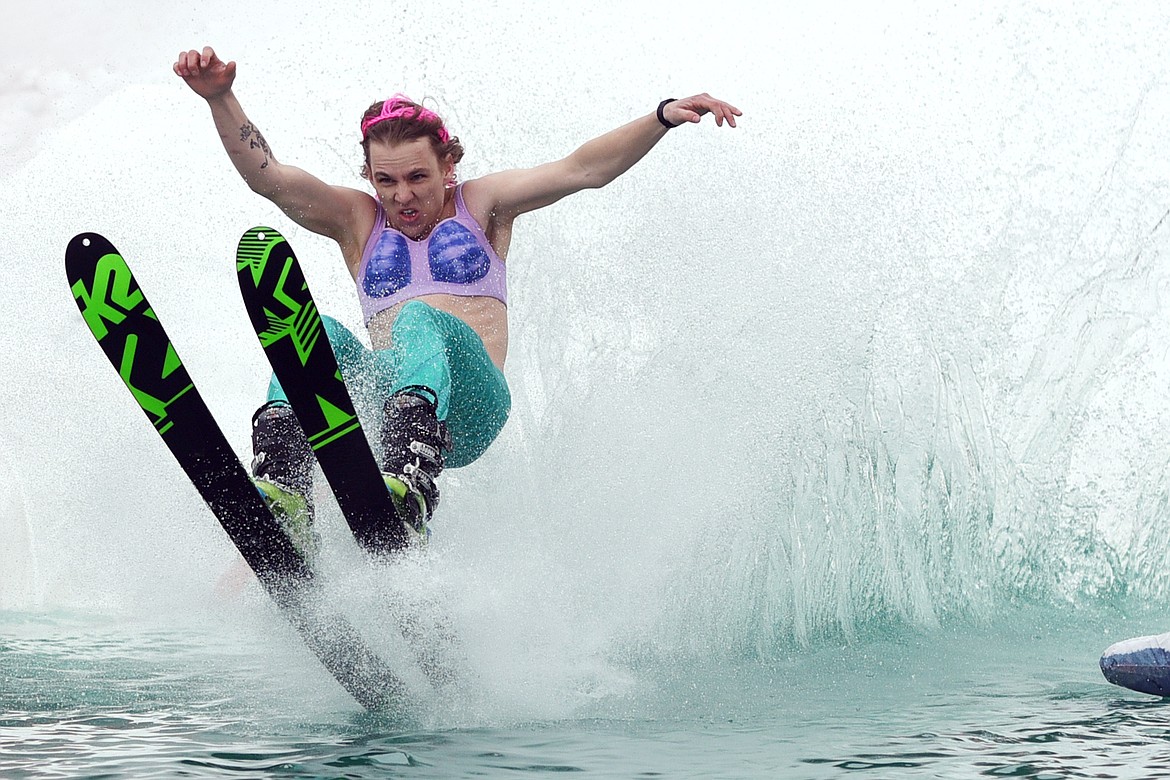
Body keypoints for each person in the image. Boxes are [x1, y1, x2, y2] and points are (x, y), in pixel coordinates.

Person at [174, 46, 741, 551]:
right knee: (309, 327)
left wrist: (662, 115)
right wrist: (221, 99)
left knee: (421, 318)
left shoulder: (483, 204)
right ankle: (284, 487)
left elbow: (584, 169)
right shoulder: (356, 220)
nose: (404, 195)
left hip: (470, 408)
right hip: (387, 408)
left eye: (419, 177)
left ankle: (413, 483)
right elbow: (269, 177)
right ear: (370, 174)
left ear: (448, 165)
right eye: (387, 181)